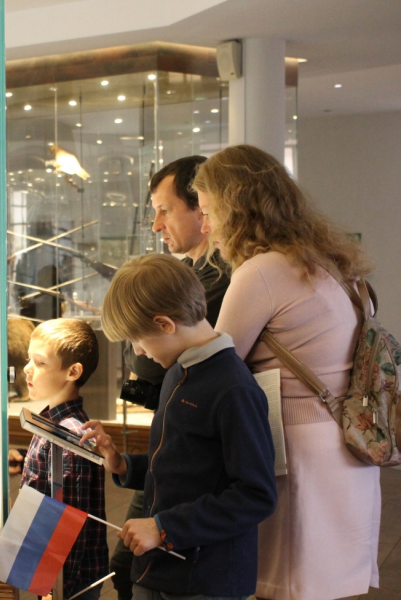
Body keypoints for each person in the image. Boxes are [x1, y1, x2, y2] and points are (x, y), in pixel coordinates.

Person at [193, 144, 381, 600]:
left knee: (290, 583)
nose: (205, 226)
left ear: (236, 208)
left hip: (297, 452)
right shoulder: (332, 263)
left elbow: (215, 365)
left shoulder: (261, 272)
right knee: (329, 581)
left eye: (209, 212)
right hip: (351, 441)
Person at [82, 254, 277, 600]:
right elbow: (182, 463)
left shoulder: (233, 389)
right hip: (160, 568)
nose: (139, 352)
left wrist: (163, 527)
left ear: (164, 324)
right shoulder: (177, 371)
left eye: (137, 340)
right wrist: (123, 465)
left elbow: (255, 495)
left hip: (205, 579)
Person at [112, 155, 230, 600]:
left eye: (165, 209)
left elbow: (143, 366)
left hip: (196, 514)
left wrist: (165, 528)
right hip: (175, 453)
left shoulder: (219, 277)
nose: (157, 224)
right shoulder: (193, 273)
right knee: (129, 566)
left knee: (134, 567)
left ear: (202, 208)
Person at [19, 318, 108, 600]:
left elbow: (70, 523)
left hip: (68, 583)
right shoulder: (50, 422)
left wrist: (56, 588)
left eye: (40, 362)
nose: (27, 369)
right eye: (29, 359)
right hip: (54, 576)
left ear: (73, 371)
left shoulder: (69, 438)